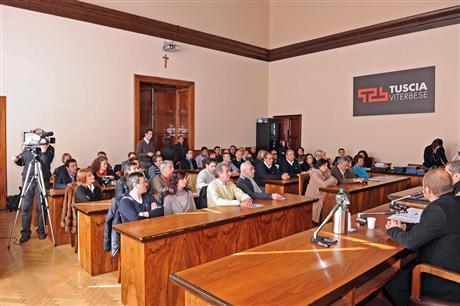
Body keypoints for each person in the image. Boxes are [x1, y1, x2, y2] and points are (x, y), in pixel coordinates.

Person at [384, 169, 460, 305]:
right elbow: (432, 228)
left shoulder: (438, 209)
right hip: (453, 266)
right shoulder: (454, 202)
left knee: (391, 283)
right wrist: (405, 227)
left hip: (446, 280)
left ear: (427, 189)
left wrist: (393, 230)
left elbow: (410, 242)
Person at [11, 136, 55, 243]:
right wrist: (16, 160)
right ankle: (25, 233)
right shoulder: (28, 147)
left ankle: (41, 231)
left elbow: (46, 162)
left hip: (42, 180)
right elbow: (23, 162)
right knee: (25, 207)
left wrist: (43, 150)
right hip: (28, 179)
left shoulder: (49, 148)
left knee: (41, 207)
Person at [305, 159, 338, 224]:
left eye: (327, 165)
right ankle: (323, 221)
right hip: (313, 195)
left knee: (331, 198)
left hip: (321, 193)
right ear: (319, 166)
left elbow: (335, 181)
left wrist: (329, 177)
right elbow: (323, 184)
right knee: (329, 199)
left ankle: (326, 220)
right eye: (324, 166)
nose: (326, 167)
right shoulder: (315, 173)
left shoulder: (324, 172)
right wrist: (330, 179)